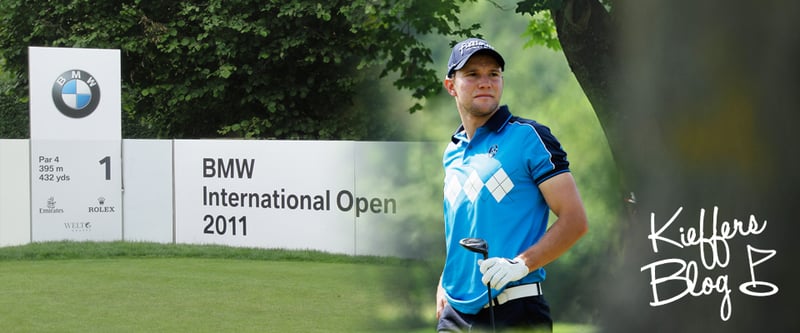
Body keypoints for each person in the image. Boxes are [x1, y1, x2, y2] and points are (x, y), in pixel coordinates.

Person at [435, 37, 589, 332]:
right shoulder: (452, 151)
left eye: (493, 74)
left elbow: (575, 220)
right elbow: (461, 228)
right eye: (472, 74)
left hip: (515, 310)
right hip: (454, 315)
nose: (485, 82)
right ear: (451, 86)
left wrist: (520, 264)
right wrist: (445, 279)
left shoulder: (529, 138)